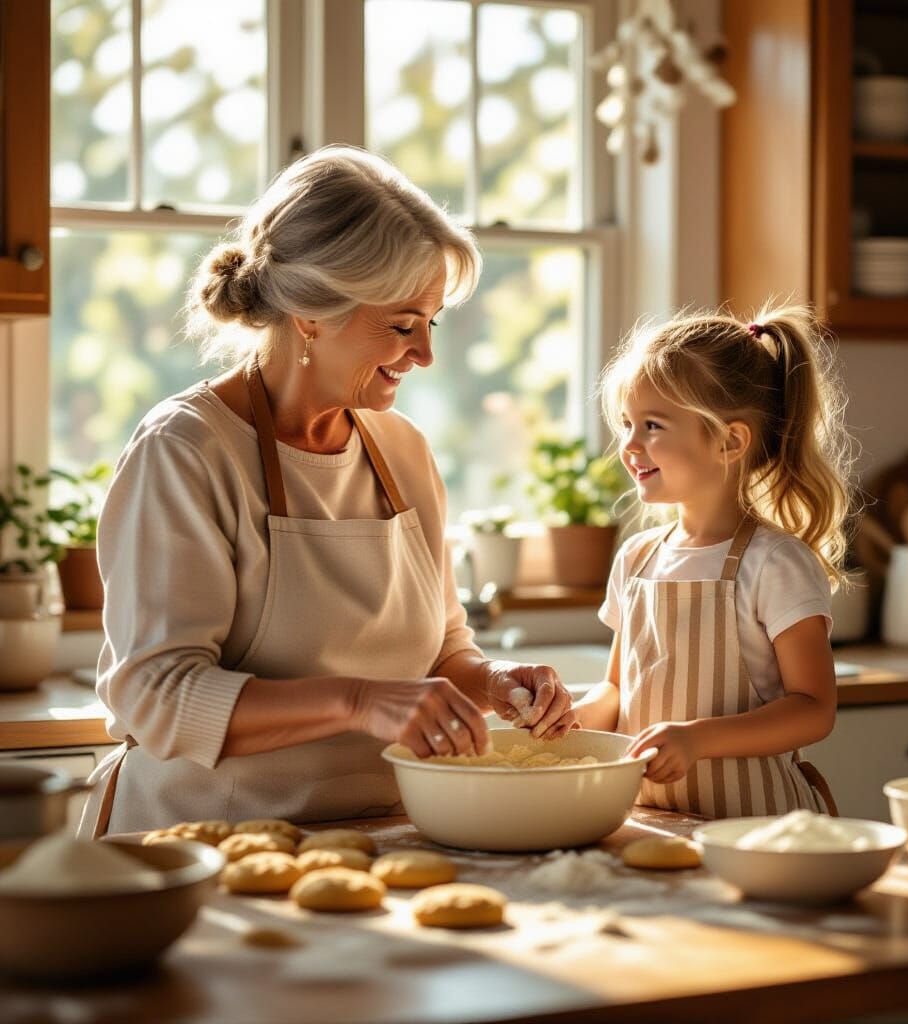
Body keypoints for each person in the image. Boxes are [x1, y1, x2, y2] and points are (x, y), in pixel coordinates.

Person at [78, 145, 578, 837]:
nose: (425, 354)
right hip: (203, 847)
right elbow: (155, 697)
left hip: (383, 838)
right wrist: (359, 702)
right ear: (311, 313)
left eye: (431, 323)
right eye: (402, 325)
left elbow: (441, 651)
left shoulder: (401, 451)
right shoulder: (187, 451)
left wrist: (493, 683)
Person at [573, 305, 855, 817]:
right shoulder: (636, 559)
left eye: (652, 425)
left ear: (730, 440)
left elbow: (814, 710)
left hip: (757, 828)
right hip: (652, 818)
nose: (629, 446)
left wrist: (698, 739)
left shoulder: (774, 564)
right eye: (625, 424)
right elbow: (618, 687)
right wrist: (576, 719)